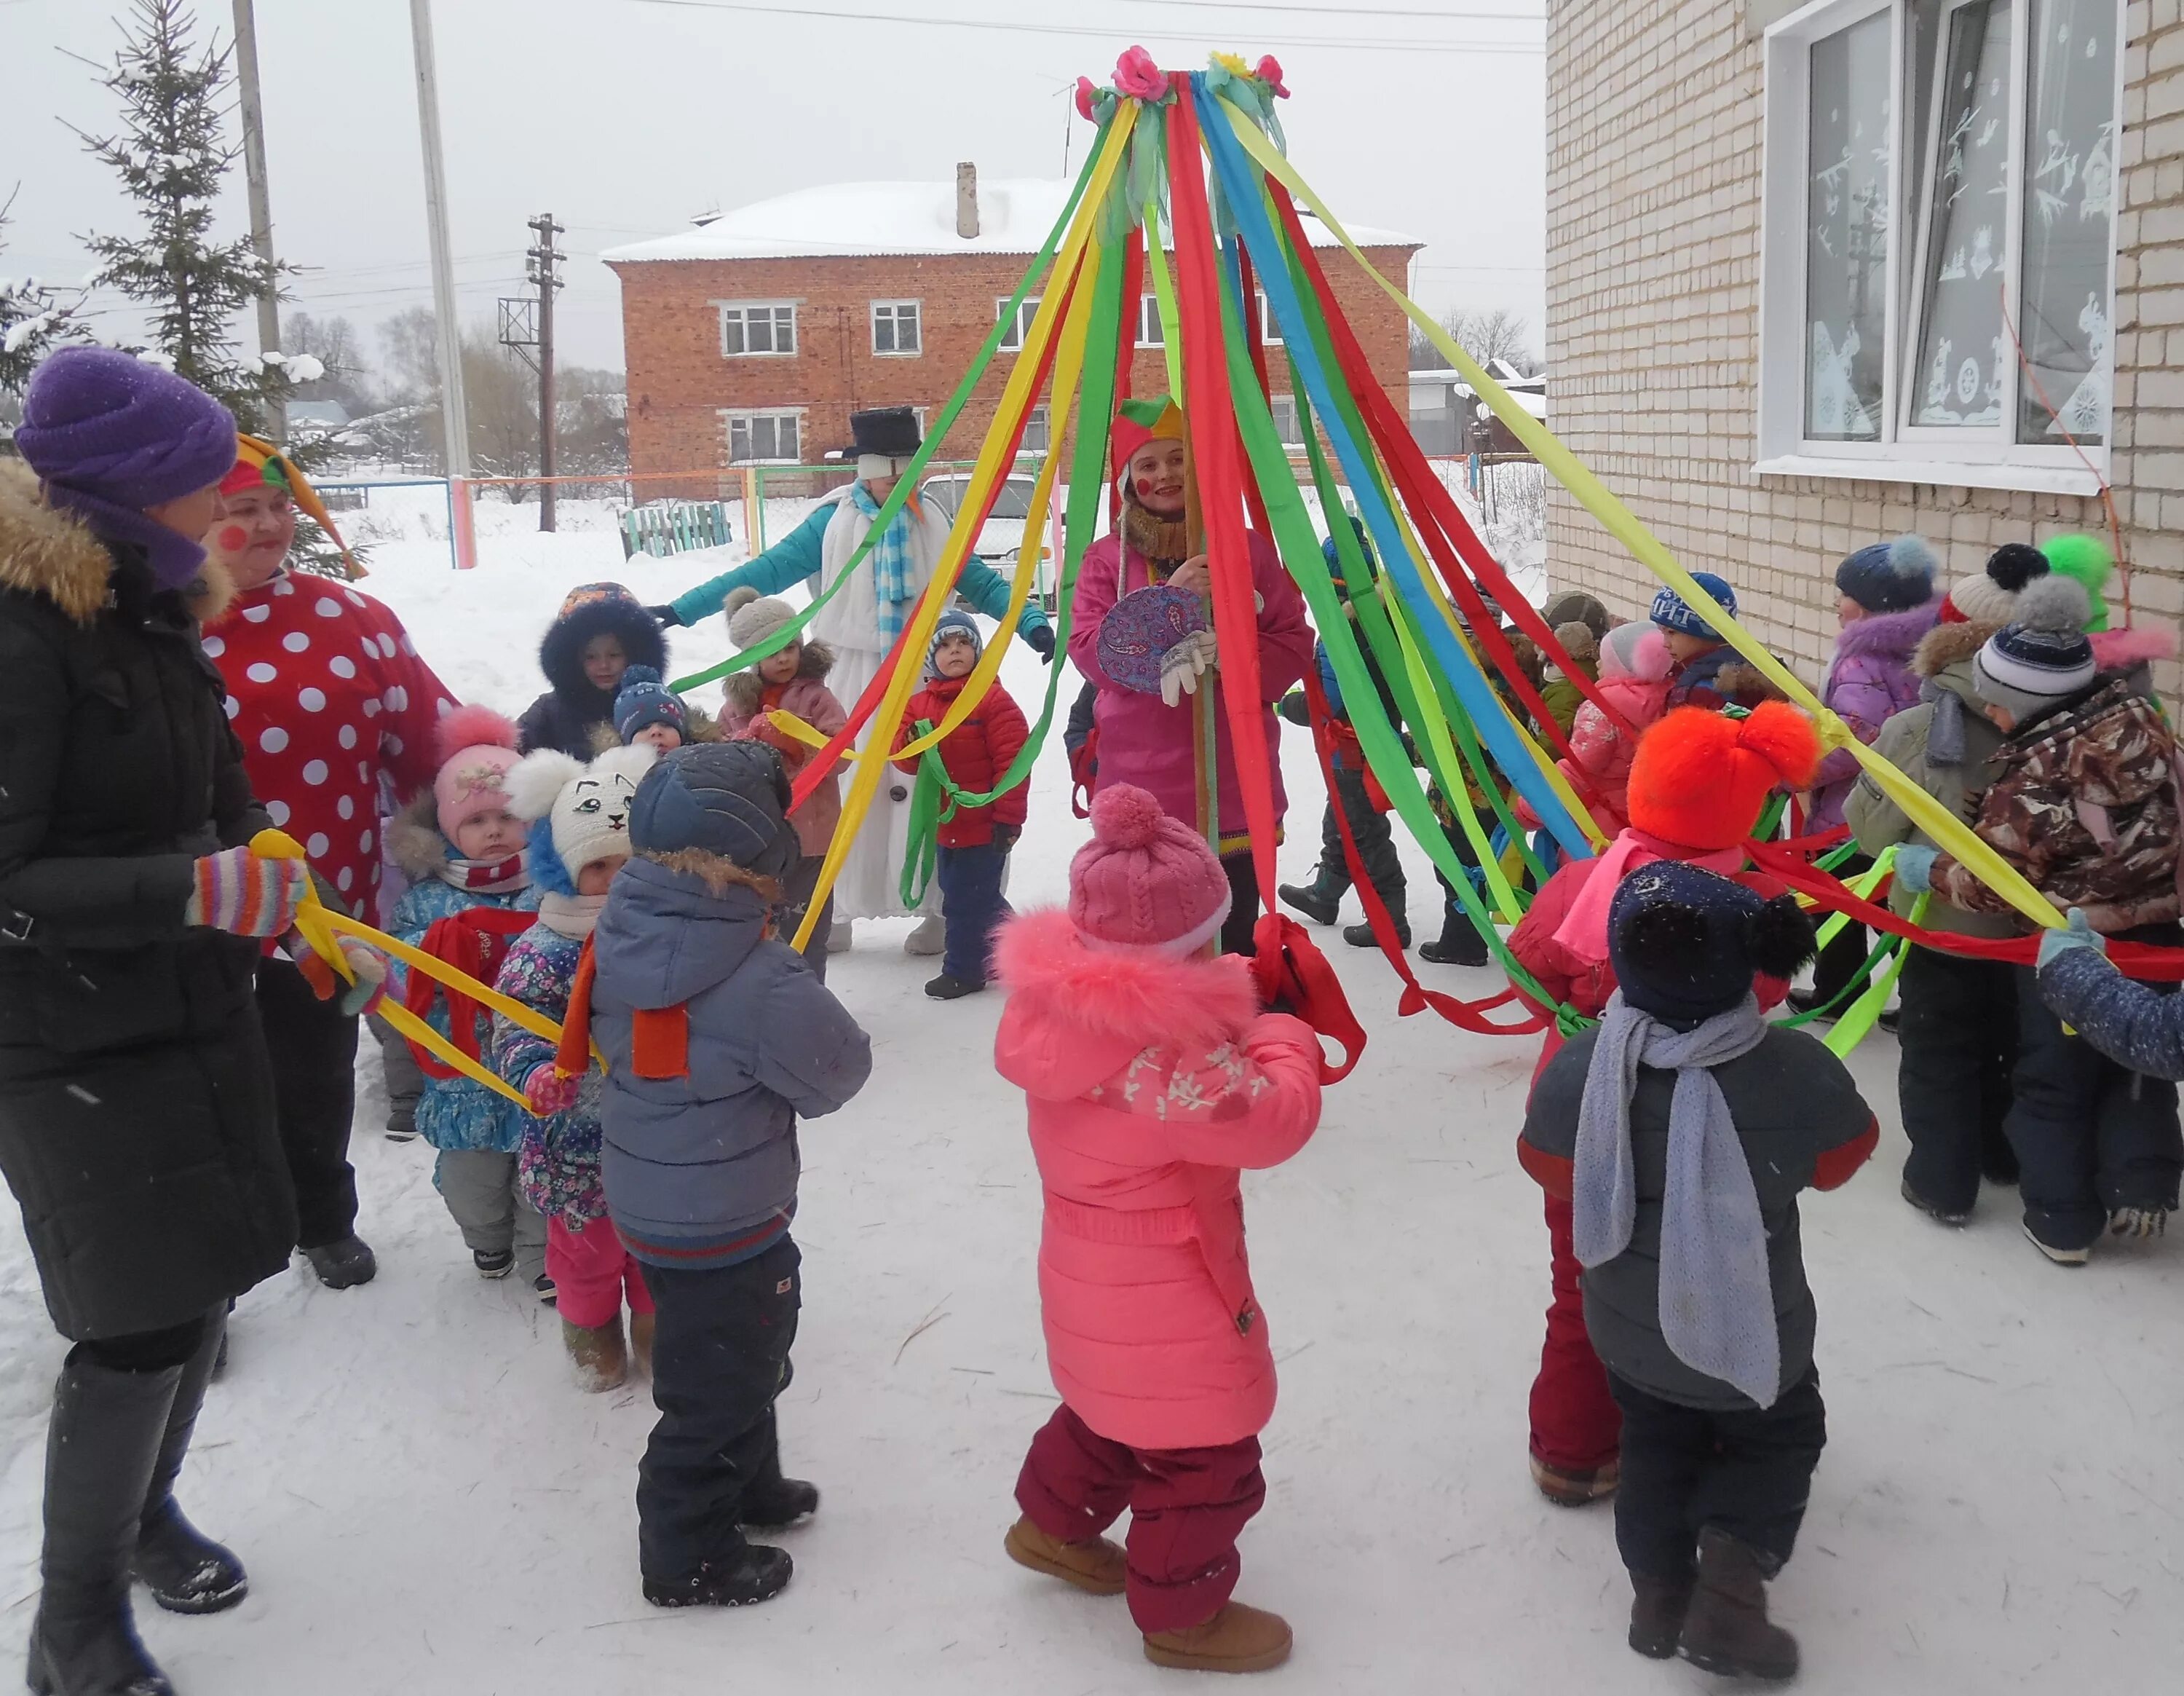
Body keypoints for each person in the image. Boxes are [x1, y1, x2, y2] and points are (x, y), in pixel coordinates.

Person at [0, 347, 309, 1692]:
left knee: (198, 1283)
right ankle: (73, 1623)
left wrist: (266, 858)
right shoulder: (21, 634)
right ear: (133, 498)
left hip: (191, 995)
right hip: (67, 1032)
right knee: (130, 1316)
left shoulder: (160, 608)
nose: (228, 502)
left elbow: (220, 784)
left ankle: (142, 1518)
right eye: (203, 483)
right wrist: (193, 885)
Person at [992, 784, 1324, 1675]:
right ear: (1194, 944)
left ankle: (1051, 1525)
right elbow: (1275, 1121)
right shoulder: (1176, 1068)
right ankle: (1182, 1613)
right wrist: (1284, 1032)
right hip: (1171, 1281)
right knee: (1206, 1449)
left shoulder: (1056, 1011)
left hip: (1086, 1267)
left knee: (1110, 1411)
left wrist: (1224, 1013)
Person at [1519, 863, 1876, 1679]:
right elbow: (1846, 1154)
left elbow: (1542, 1161)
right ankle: (1731, 1582)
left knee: (1654, 1443)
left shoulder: (1583, 1067)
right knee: (1779, 1437)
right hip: (1760, 1326)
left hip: (1628, 1331)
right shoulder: (1790, 1068)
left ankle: (1657, 1595)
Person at [582, 741, 872, 1609]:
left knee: (733, 1360)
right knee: (724, 1383)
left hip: (651, 1200)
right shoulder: (759, 975)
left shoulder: (623, 928)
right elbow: (837, 1073)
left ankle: (752, 1488)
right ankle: (685, 1555)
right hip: (727, 1214)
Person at [1506, 702, 1820, 1507]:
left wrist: (1583, 1015)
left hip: (1584, 1124)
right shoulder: (1757, 901)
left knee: (1582, 1286)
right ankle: (1702, 1436)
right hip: (1719, 1134)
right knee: (1712, 1278)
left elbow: (1531, 960)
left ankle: (1573, 1453)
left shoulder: (1584, 881)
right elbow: (1771, 988)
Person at [199, 431, 460, 1286]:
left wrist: (520, 789)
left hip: (322, 911)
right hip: (194, 911)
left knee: (314, 1074)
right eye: (247, 509)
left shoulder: (351, 618)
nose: (274, 524)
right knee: (203, 1090)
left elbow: (430, 739)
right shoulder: (151, 625)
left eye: (282, 505)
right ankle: (209, 1269)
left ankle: (322, 1218)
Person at [651, 407, 1056, 956]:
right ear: (862, 467)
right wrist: (683, 609)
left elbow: (981, 581)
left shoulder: (936, 519)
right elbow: (761, 573)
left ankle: (942, 908)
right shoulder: (830, 522)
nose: (894, 475)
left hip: (925, 677)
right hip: (852, 680)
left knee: (931, 789)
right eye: (884, 464)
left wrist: (1031, 623)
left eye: (904, 464)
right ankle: (830, 907)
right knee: (839, 791)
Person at [1895, 576, 2184, 1263]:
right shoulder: (2143, 721)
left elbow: (1996, 884)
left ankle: (2062, 1221)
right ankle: (2140, 1186)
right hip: (2161, 938)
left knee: (2054, 1078)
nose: (1989, 714)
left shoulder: (2037, 773)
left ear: (2029, 701)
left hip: (2070, 948)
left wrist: (1928, 872)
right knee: (2138, 1073)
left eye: (1997, 702)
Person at [1070, 396, 1313, 956]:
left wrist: (1233, 655)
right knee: (1153, 937)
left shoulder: (1247, 549)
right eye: (1148, 465)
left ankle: (1236, 1035)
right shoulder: (1106, 560)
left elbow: (1293, 640)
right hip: (1142, 783)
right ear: (1130, 481)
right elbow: (1091, 652)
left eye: (1178, 459)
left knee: (1235, 939)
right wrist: (1169, 603)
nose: (1166, 475)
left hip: (1234, 777)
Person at [1846, 602, 2026, 1225]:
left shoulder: (1916, 728)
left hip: (1943, 920)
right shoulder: (2051, 721)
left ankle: (1941, 1182)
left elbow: (1868, 829)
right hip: (2030, 934)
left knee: (1938, 1047)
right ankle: (2002, 1154)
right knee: (2007, 1039)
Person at [495, 743, 658, 1390]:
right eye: (597, 866)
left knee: (655, 1254)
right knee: (584, 1257)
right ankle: (592, 1338)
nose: (615, 879)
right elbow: (513, 1025)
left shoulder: (666, 933)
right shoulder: (543, 950)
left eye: (627, 861)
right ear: (563, 870)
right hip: (573, 1145)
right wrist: (534, 1072)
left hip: (656, 1137)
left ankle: (658, 1335)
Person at [384, 709, 550, 1287]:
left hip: (538, 1063)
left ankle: (540, 1253)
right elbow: (399, 961)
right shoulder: (428, 898)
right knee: (470, 1176)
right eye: (477, 819)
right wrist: (436, 947)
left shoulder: (551, 886)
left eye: (507, 815)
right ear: (451, 830)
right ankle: (486, 1238)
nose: (495, 830)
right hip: (465, 1069)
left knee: (542, 1168)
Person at [1790, 537, 1939, 1018]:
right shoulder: (1917, 651)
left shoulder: (1862, 659)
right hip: (1899, 808)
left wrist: (1793, 766)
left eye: (1844, 593)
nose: (1837, 602)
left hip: (1853, 815)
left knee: (1842, 905)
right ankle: (1918, 1000)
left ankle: (1840, 995)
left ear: (1876, 605)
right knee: (1887, 909)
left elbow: (1855, 736)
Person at [1277, 518, 1411, 949]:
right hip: (1357, 752)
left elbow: (1331, 706)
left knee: (1366, 834)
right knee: (1341, 823)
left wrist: (1286, 705)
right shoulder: (1380, 623)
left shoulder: (1349, 634)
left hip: (1356, 755)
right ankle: (1325, 895)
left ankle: (1391, 920)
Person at [890, 610, 1029, 999]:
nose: (956, 651)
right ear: (932, 657)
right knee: (974, 894)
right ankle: (1022, 945)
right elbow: (904, 759)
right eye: (946, 645)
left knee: (965, 901)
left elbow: (1013, 764)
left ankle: (964, 971)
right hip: (945, 823)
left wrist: (1008, 819)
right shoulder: (919, 705)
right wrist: (909, 742)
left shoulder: (993, 701)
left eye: (964, 643)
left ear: (977, 652)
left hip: (984, 824)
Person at [716, 585, 849, 974]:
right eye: (772, 651)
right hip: (760, 839)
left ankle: (811, 1001)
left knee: (809, 924)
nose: (784, 658)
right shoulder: (736, 707)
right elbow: (722, 759)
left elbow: (841, 752)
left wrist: (796, 742)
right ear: (752, 657)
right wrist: (754, 739)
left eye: (790, 647)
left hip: (812, 838)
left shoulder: (817, 698)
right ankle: (773, 1001)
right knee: (766, 928)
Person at [518, 581, 669, 759]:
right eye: (590, 657)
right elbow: (511, 745)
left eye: (614, 655)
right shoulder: (549, 711)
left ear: (634, 655)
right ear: (572, 660)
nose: (604, 665)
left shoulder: (656, 701)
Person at [1555, 621, 1673, 837]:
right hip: (1646, 820)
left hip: (1600, 827)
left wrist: (1528, 809)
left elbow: (1577, 772)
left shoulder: (1601, 710)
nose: (1598, 664)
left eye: (1605, 658)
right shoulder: (1670, 701)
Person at [1650, 574, 1777, 712]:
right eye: (1662, 632)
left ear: (1705, 629)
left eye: (1671, 633)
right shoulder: (1762, 666)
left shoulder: (1702, 692)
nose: (1665, 644)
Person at [613, 665, 692, 754]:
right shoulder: (610, 768)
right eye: (643, 728)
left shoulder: (704, 761)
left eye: (666, 725)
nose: (656, 731)